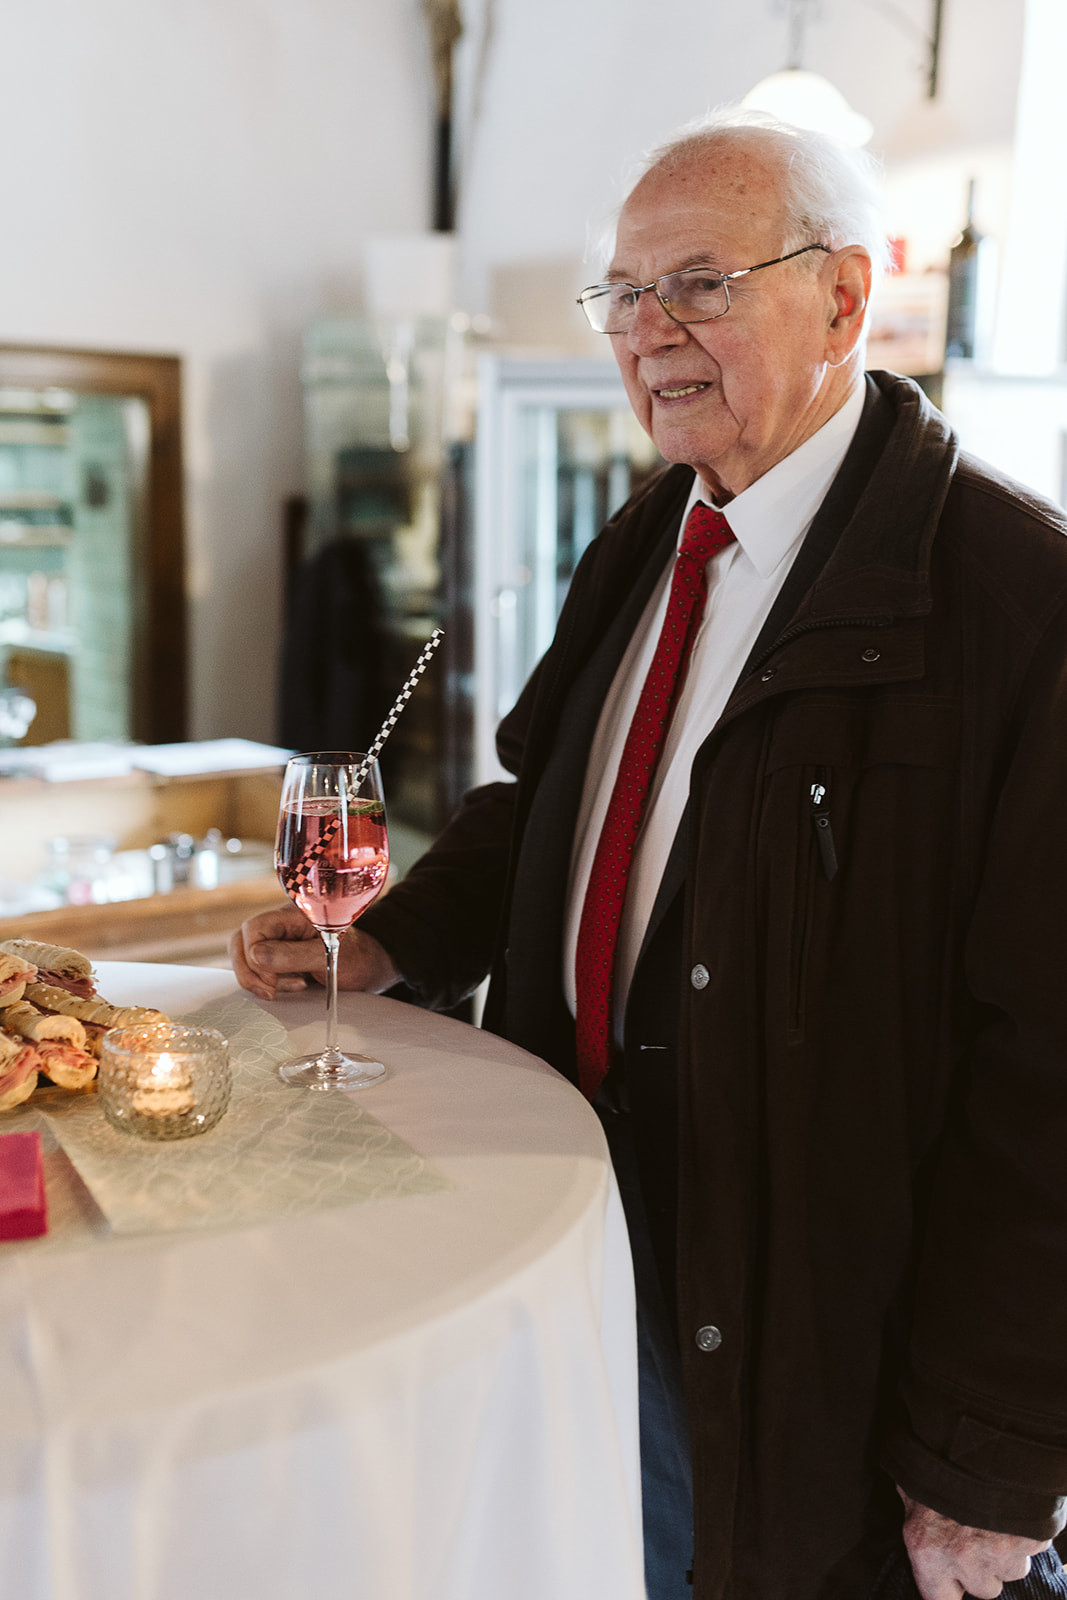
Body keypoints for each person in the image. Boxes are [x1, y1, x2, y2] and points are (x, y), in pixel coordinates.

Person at [231, 110, 1067, 1600]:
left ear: (844, 299)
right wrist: (394, 937)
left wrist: (990, 1455)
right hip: (588, 1223)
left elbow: (1050, 1074)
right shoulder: (644, 537)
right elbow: (545, 803)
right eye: (622, 292)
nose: (646, 331)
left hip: (824, 1328)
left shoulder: (1022, 601)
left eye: (698, 284)